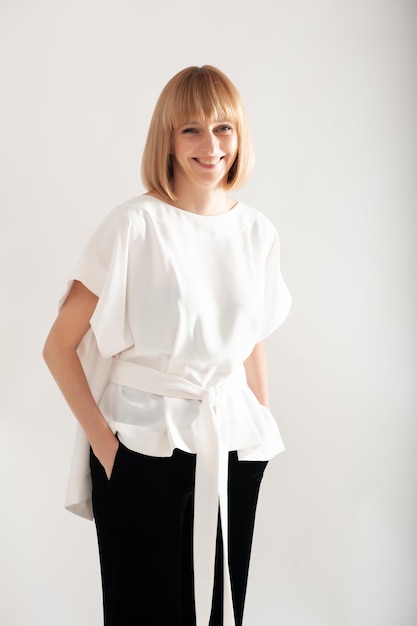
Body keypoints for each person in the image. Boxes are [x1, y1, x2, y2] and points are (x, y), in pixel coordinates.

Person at [43, 65, 291, 626]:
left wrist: (261, 420)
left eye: (224, 127)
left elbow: (249, 339)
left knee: (219, 612)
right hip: (141, 449)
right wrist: (108, 450)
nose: (211, 145)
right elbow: (59, 346)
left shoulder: (258, 233)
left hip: (232, 447)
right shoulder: (134, 225)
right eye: (192, 130)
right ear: (168, 139)